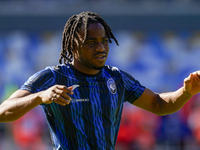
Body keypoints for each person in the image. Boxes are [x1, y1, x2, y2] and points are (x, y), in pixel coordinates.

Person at [0, 11, 200, 150]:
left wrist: (187, 91)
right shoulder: (52, 77)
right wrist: (40, 97)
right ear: (73, 45)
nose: (101, 48)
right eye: (91, 42)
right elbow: (3, 112)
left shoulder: (116, 78)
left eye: (104, 41)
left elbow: (159, 104)